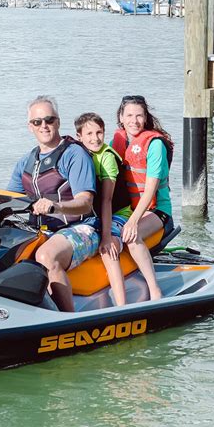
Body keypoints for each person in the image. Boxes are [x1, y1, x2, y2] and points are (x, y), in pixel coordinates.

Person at [0, 95, 99, 312]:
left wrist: (56, 206)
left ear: (58, 122)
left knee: (46, 256)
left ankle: (67, 319)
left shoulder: (74, 154)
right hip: (40, 230)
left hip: (81, 228)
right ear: (30, 126)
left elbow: (85, 202)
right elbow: (10, 198)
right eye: (38, 122)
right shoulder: (27, 161)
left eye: (49, 120)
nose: (44, 126)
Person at [111, 95, 174, 301]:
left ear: (146, 117)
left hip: (157, 211)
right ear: (121, 117)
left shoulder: (155, 145)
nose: (134, 121)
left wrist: (132, 222)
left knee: (131, 235)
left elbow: (149, 191)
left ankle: (154, 289)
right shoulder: (117, 141)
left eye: (139, 116)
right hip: (128, 209)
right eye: (129, 115)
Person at [74, 112, 131, 306]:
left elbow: (107, 200)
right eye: (89, 134)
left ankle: (122, 306)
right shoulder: (80, 154)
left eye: (99, 132)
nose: (95, 138)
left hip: (119, 213)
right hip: (96, 214)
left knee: (108, 250)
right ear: (79, 137)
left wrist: (107, 236)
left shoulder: (106, 158)